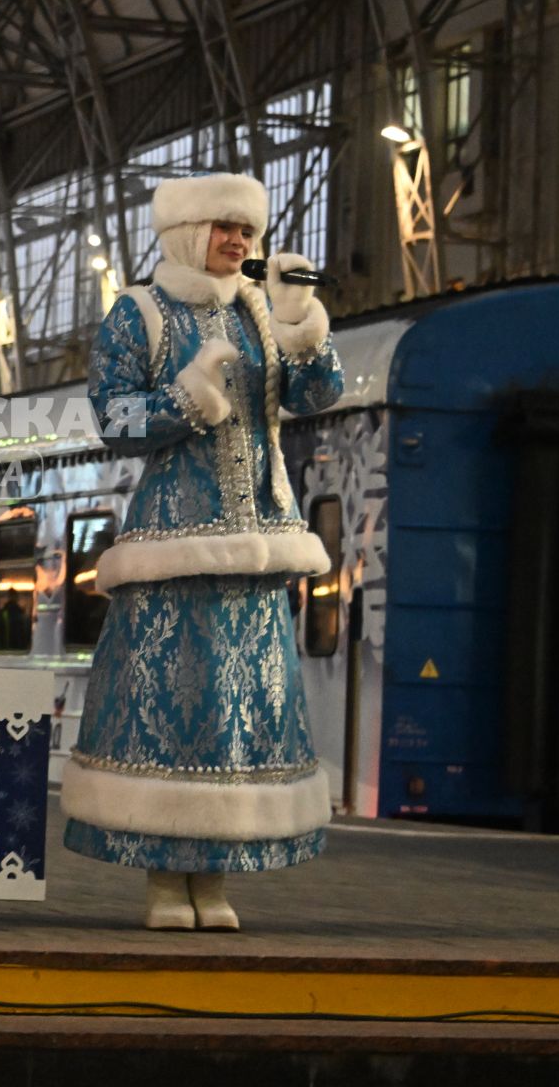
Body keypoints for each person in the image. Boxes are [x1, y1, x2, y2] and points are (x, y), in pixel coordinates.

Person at [59, 172, 344, 932]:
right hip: (172, 545)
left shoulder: (258, 311)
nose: (239, 243)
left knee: (234, 723)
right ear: (189, 233)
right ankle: (163, 882)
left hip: (253, 551)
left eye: (246, 231)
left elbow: (318, 397)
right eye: (225, 229)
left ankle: (212, 880)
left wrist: (304, 323)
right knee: (168, 712)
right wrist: (188, 397)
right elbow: (114, 420)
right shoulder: (139, 313)